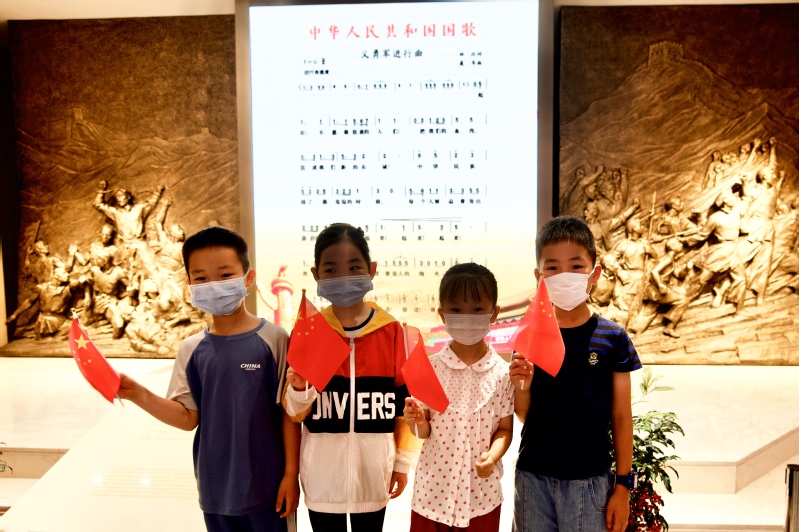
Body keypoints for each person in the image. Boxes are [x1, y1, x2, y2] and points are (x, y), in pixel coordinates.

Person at [117, 226, 300, 532]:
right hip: (215, 491)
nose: (213, 285)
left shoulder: (275, 339)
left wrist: (291, 475)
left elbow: (289, 414)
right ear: (190, 284)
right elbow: (187, 417)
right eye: (201, 278)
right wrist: (137, 393)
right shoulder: (191, 349)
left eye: (225, 275)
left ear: (249, 278)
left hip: (269, 490)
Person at [510, 215, 642, 532]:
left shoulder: (613, 337)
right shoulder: (528, 335)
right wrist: (521, 387)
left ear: (594, 274)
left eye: (576, 266)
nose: (564, 275)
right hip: (533, 477)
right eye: (553, 267)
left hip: (590, 480)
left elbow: (621, 416)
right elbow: (524, 415)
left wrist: (623, 486)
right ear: (539, 276)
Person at [282, 223, 415, 531]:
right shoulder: (309, 332)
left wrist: (402, 463)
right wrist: (300, 389)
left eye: (354, 268)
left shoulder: (392, 332)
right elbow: (294, 413)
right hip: (321, 480)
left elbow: (405, 404)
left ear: (371, 270)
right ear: (316, 275)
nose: (343, 277)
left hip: (374, 475)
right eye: (331, 270)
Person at [403, 262, 514, 531]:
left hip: (482, 498)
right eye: (456, 310)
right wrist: (416, 420)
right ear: (442, 315)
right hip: (432, 496)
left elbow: (505, 429)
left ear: (494, 313)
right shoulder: (430, 368)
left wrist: (493, 456)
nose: (466, 317)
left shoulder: (503, 373)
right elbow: (424, 431)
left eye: (477, 309)